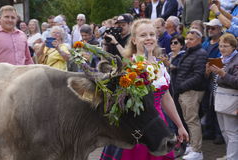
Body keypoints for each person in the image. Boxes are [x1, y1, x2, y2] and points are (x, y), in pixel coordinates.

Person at [100, 18, 189, 160]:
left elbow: (166, 98)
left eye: (152, 34)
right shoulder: (128, 65)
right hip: (138, 127)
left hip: (159, 123)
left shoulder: (160, 64)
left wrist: (179, 125)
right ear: (134, 40)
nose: (148, 38)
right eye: (143, 35)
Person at [176, 29, 208, 160]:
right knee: (188, 120)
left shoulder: (201, 53)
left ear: (199, 40)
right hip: (185, 92)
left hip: (191, 92)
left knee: (192, 121)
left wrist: (182, 87)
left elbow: (198, 75)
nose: (187, 41)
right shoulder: (190, 52)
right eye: (187, 39)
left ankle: (197, 150)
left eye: (191, 39)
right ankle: (191, 144)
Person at [207, 33, 238, 160]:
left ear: (234, 47)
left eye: (225, 46)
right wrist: (209, 71)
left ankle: (233, 157)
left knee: (232, 132)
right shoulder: (221, 58)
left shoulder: (236, 60)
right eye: (220, 46)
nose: (222, 49)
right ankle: (230, 154)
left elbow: (236, 82)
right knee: (224, 130)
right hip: (219, 97)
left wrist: (222, 73)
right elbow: (215, 80)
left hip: (231, 98)